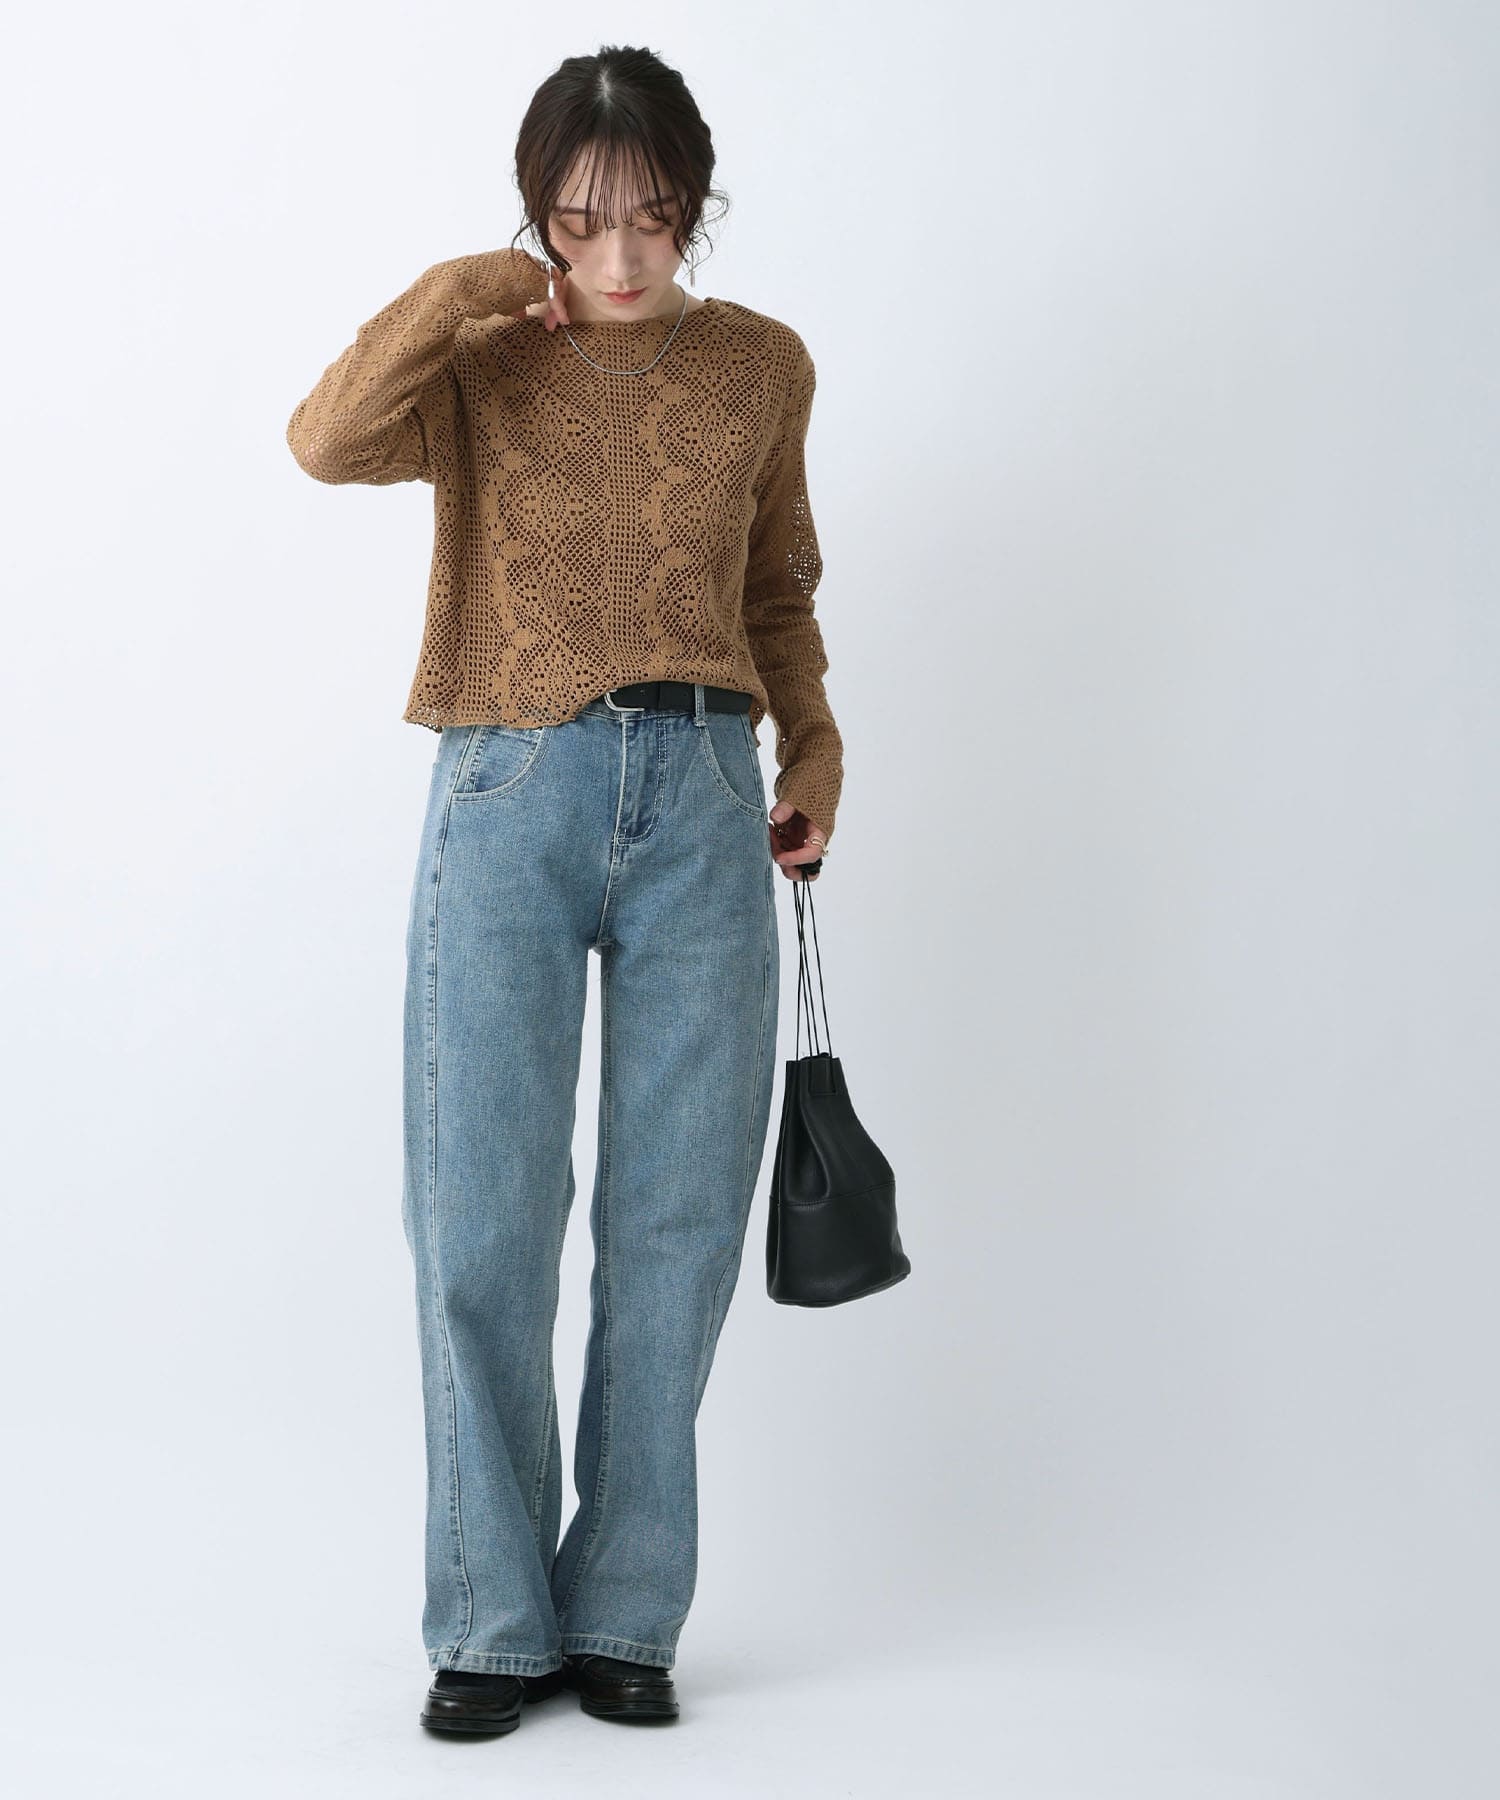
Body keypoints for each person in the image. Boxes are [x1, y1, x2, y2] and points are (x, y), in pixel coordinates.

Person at [285, 43, 843, 1733]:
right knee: (480, 1215)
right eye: (581, 222)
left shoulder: (761, 365)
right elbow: (323, 440)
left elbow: (780, 592)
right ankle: (488, 1618)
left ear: (694, 207)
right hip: (507, 788)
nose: (618, 256)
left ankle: (624, 1613)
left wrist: (814, 754)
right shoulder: (478, 355)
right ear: (538, 213)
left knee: (675, 1228)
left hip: (706, 798)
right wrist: (467, 288)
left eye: (652, 218)